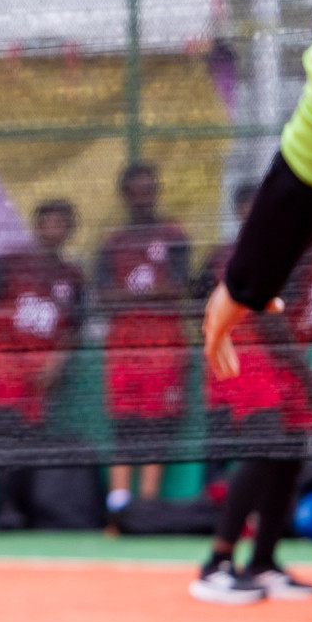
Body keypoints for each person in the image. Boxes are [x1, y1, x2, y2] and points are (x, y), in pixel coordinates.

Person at [188, 186, 312, 603]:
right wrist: (307, 377)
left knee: (288, 455)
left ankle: (263, 561)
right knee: (266, 447)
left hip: (286, 357)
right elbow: (267, 316)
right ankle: (217, 564)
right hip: (248, 350)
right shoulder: (258, 247)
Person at [0, 200, 86, 529]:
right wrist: (2, 345)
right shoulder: (9, 262)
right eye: (48, 223)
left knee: (30, 436)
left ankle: (25, 508)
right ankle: (4, 507)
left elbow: (74, 328)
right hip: (3, 366)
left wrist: (56, 362)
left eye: (61, 224)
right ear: (36, 226)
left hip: (41, 372)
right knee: (3, 432)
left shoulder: (72, 276)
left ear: (70, 231)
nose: (54, 230)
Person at [94, 162, 191, 524]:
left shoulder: (174, 234)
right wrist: (151, 295)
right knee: (124, 424)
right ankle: (118, 507)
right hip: (123, 345)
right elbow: (103, 295)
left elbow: (180, 288)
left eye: (149, 188)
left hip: (165, 343)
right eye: (135, 189)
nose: (143, 195)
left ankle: (146, 509)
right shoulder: (113, 242)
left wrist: (133, 296)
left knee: (157, 425)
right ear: (125, 195)